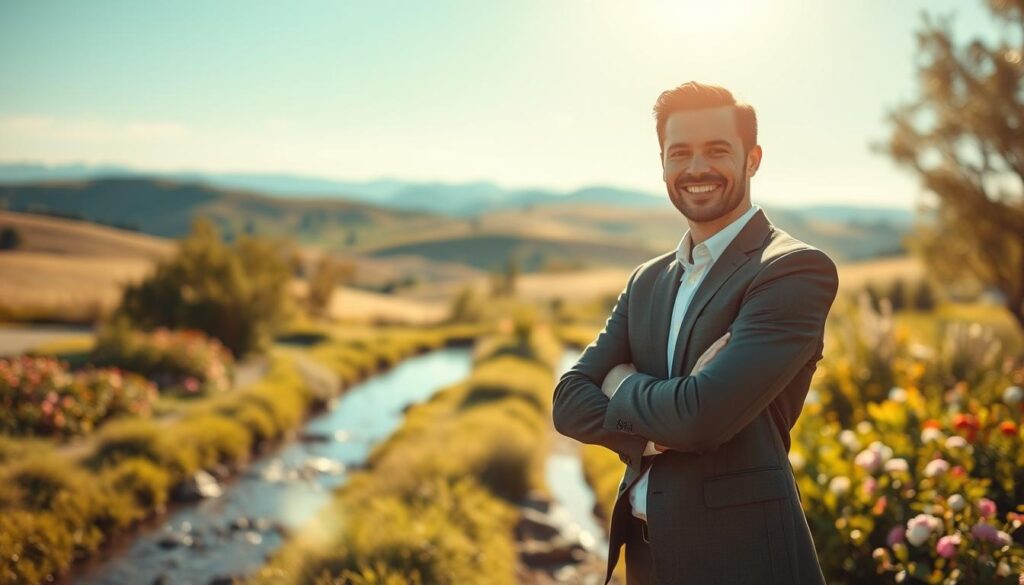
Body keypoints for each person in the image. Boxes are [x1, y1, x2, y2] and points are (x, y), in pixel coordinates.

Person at [551, 81, 836, 585]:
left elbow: (701, 419)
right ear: (662, 163)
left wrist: (619, 385)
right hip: (644, 557)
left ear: (753, 159)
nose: (696, 168)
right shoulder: (646, 280)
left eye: (717, 150)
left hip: (740, 559)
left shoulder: (791, 270)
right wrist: (669, 419)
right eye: (679, 153)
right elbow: (568, 402)